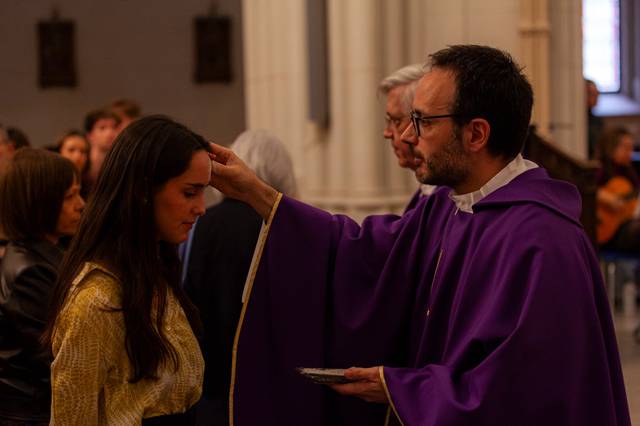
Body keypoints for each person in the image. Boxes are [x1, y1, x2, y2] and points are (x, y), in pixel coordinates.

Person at [209, 45, 630, 425]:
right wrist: (259, 193)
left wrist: (402, 389)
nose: (408, 137)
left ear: (476, 133)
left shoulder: (543, 242)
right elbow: (360, 252)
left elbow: (525, 397)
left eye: (422, 121)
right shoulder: (447, 207)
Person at [43, 116, 210, 425]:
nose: (201, 206)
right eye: (189, 192)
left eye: (203, 191)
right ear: (143, 191)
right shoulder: (96, 301)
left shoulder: (155, 275)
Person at [184, 129, 297, 426]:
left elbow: (192, 292)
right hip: (269, 372)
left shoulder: (204, 223)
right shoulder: (283, 225)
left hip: (214, 373)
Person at [0, 148, 84, 425]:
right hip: (34, 415)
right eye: (69, 196)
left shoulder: (47, 253)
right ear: (41, 202)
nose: (81, 204)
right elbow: (57, 358)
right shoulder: (30, 271)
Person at [379, 64, 436, 211]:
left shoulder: (450, 196)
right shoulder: (428, 188)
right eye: (388, 121)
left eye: (396, 121)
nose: (387, 133)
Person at [595, 127, 640, 250]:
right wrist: (607, 198)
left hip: (627, 223)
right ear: (611, 147)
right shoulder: (600, 170)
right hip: (607, 231)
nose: (630, 152)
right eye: (625, 148)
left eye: (631, 148)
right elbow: (586, 189)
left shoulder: (630, 171)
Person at [83, 109, 120, 195]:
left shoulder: (121, 166)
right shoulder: (82, 167)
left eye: (114, 127)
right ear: (90, 135)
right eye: (102, 128)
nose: (110, 133)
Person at [587, 78, 604, 160]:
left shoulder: (597, 121)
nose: (597, 96)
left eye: (597, 93)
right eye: (592, 94)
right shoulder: (580, 121)